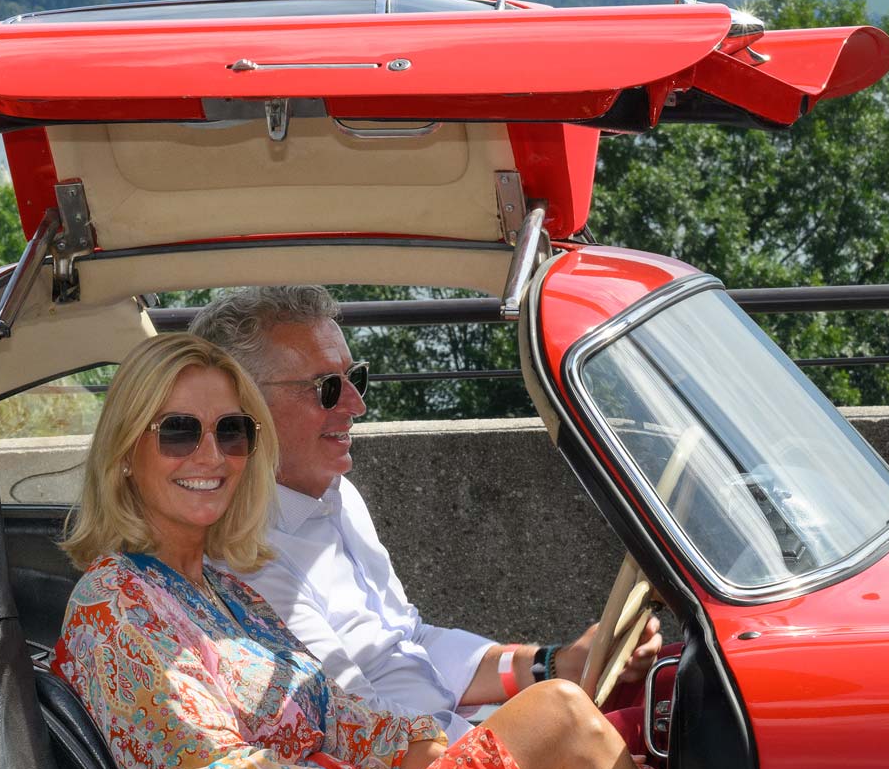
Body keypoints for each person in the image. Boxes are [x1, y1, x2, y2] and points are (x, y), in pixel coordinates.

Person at [50, 332, 665, 769]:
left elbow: (341, 716)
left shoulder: (230, 594)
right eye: (179, 432)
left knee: (616, 736)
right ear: (127, 451)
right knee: (560, 714)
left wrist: (430, 751)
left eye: (232, 432)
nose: (211, 456)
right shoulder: (116, 603)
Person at [190, 284, 660, 739]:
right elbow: (361, 725)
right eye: (326, 388)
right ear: (242, 407)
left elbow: (406, 639)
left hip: (438, 738)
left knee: (666, 686)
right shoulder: (243, 553)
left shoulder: (337, 495)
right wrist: (531, 733)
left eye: (356, 378)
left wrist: (551, 664)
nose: (357, 404)